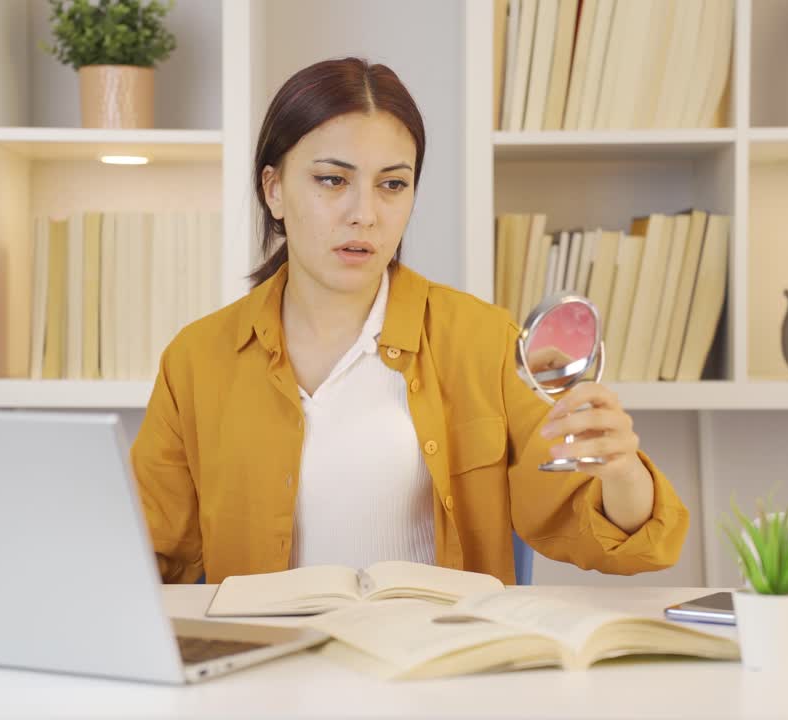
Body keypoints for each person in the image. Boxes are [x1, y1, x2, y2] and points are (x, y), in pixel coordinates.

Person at [131, 57, 688, 585]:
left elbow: (609, 534)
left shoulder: (483, 341)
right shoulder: (197, 359)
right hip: (268, 674)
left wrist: (619, 470)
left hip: (437, 669)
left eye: (392, 184)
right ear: (273, 189)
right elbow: (150, 558)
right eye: (332, 180)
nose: (364, 214)